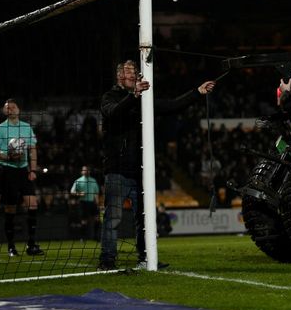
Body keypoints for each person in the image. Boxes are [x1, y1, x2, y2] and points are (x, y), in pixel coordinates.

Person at [98, 59, 215, 270]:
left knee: (145, 219)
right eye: (128, 71)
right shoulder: (110, 97)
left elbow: (171, 105)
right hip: (117, 169)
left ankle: (146, 257)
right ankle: (107, 260)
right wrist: (133, 96)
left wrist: (197, 92)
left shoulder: (144, 99)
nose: (132, 74)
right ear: (119, 76)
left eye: (134, 71)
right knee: (113, 217)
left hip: (142, 170)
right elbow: (114, 112)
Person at [0, 98, 44, 257]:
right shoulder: (0, 129)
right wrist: (9, 157)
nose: (11, 109)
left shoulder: (27, 128)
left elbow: (33, 149)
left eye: (14, 107)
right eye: (8, 107)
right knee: (10, 209)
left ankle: (31, 245)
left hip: (24, 171)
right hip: (7, 171)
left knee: (32, 204)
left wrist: (33, 170)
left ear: (18, 109)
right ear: (4, 111)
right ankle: (11, 246)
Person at [70, 165, 100, 240]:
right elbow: (72, 192)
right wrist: (80, 194)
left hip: (92, 203)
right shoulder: (78, 180)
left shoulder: (93, 180)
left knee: (97, 219)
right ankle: (83, 237)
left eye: (87, 170)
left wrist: (97, 202)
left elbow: (96, 192)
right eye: (84, 170)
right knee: (84, 221)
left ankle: (96, 236)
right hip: (83, 203)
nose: (86, 171)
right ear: (82, 172)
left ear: (89, 171)